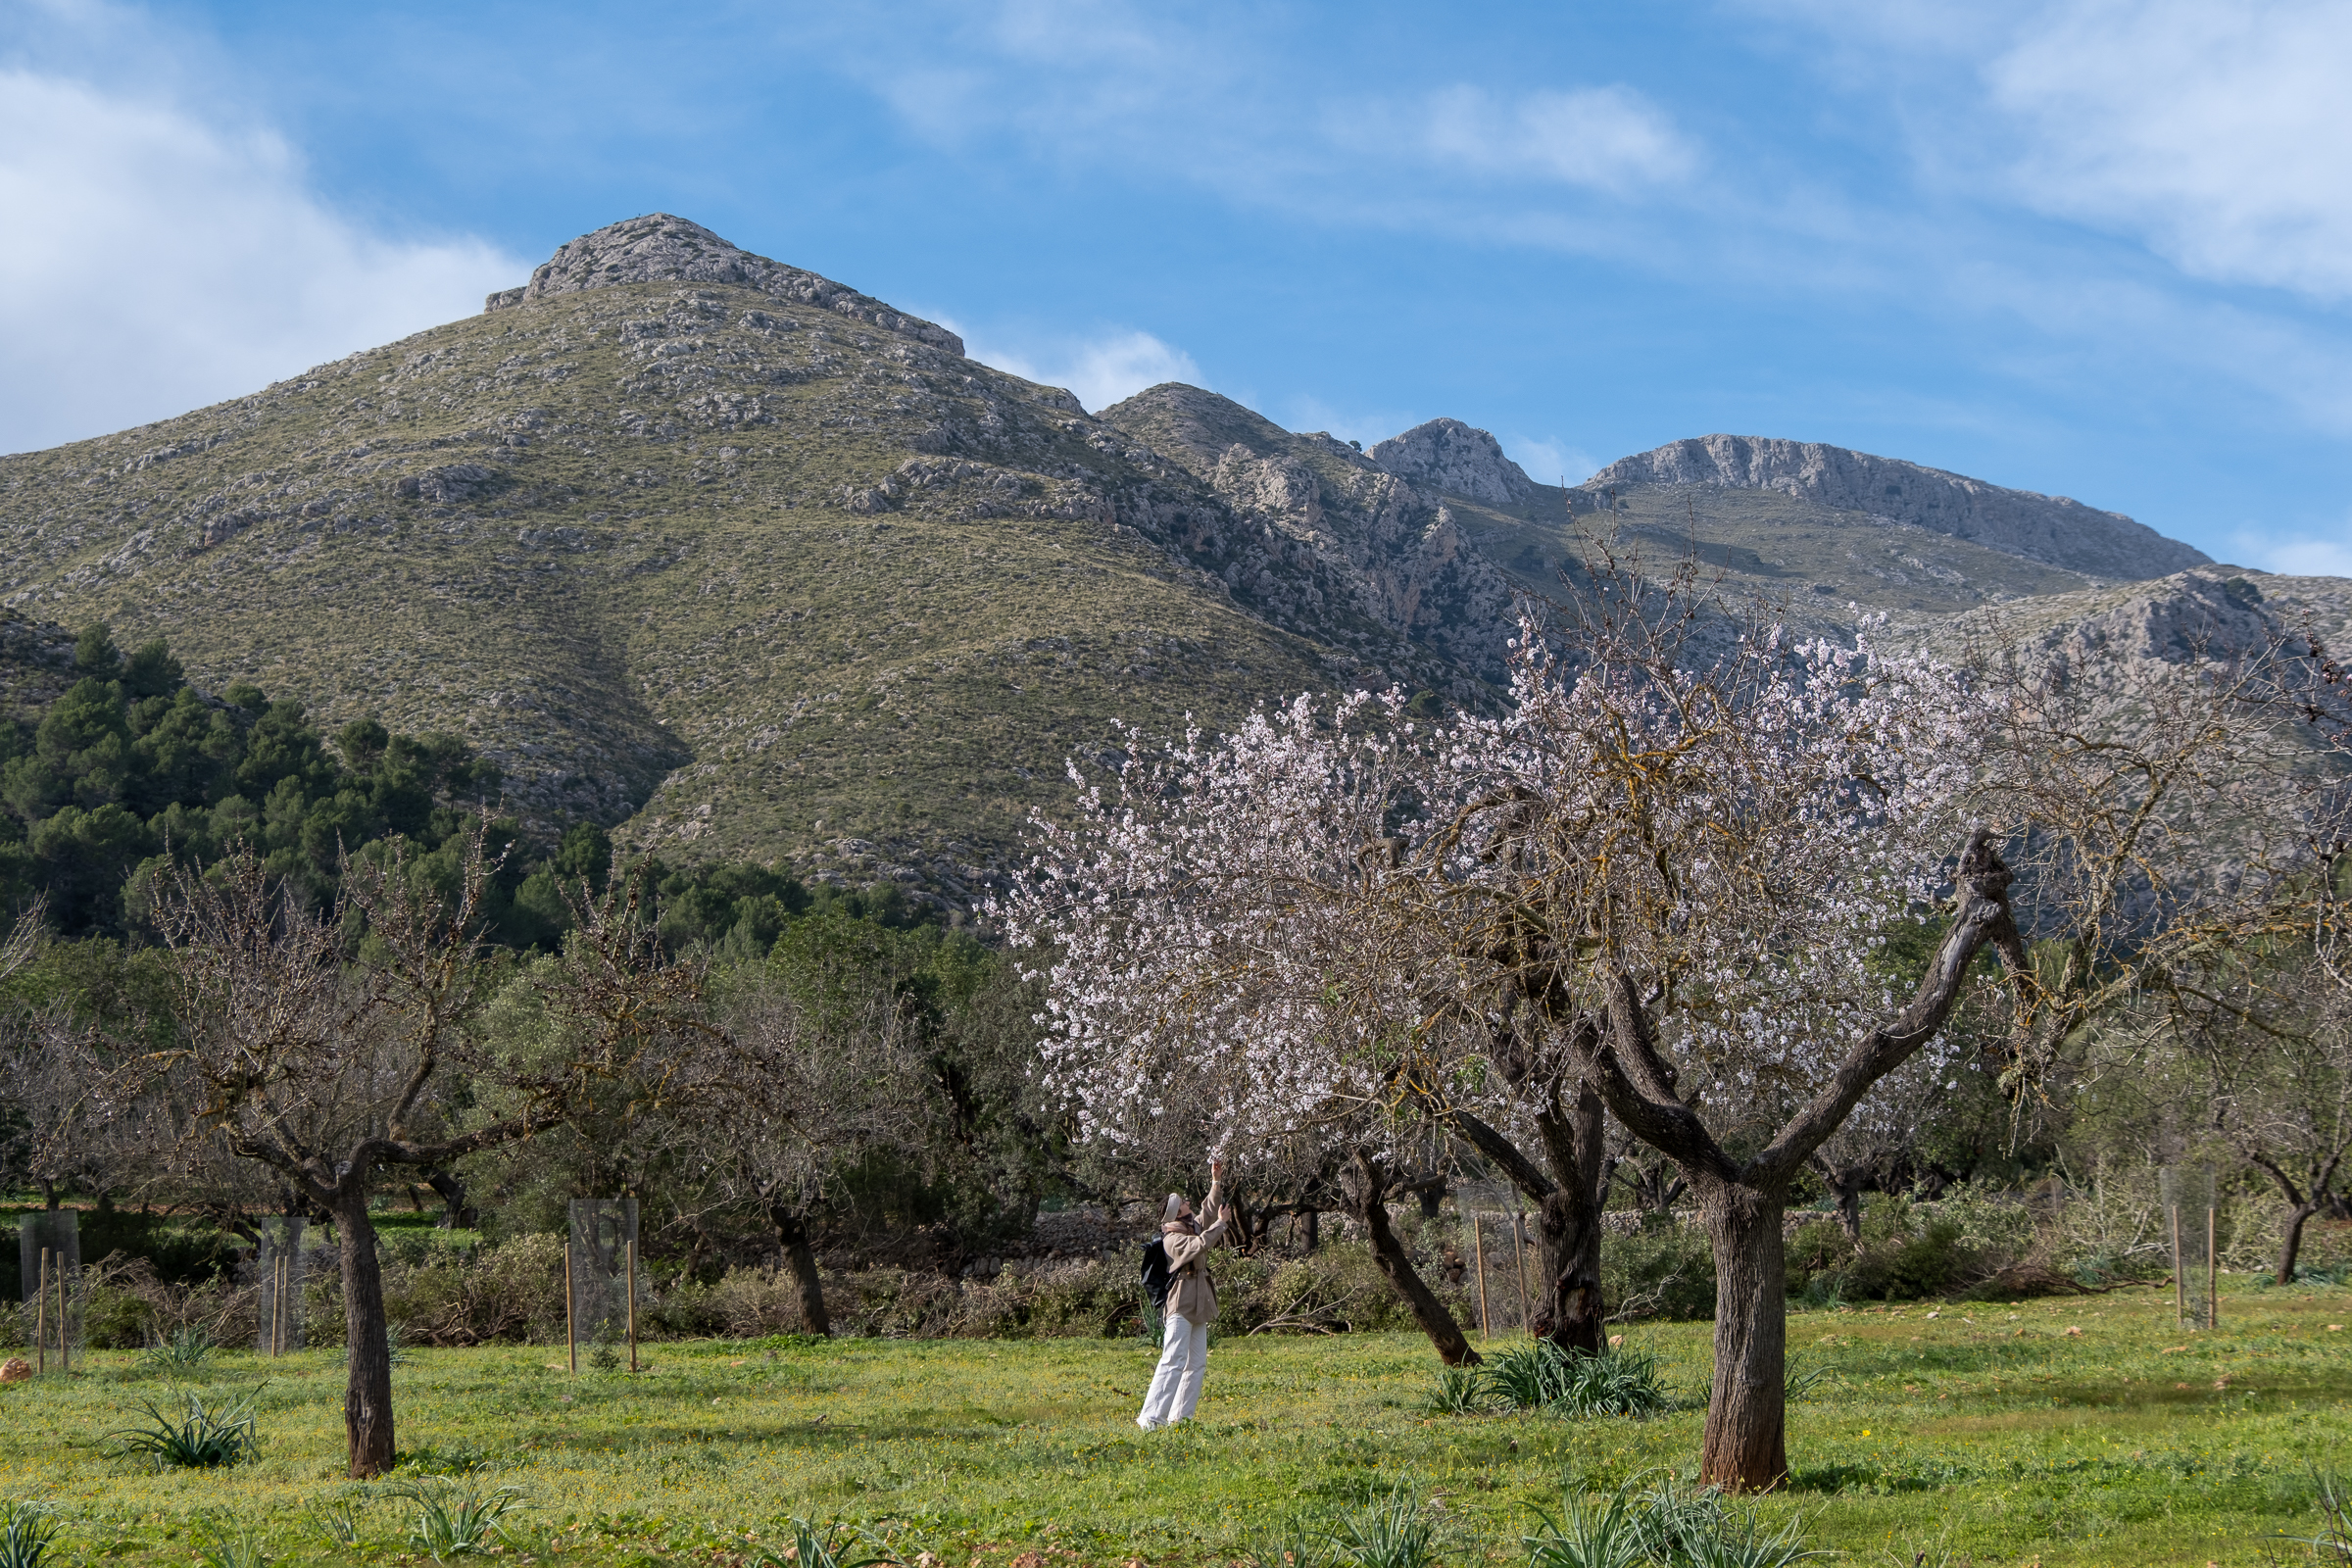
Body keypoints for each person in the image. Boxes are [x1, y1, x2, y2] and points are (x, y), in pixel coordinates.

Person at [1136, 1156, 1232, 1431]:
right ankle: (1150, 1418)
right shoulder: (1172, 1239)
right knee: (1173, 1360)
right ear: (1178, 1213)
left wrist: (1216, 1181)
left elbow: (1209, 1211)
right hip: (1179, 1306)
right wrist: (1221, 1225)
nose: (1189, 1202)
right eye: (1185, 1203)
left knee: (1197, 1364)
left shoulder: (1190, 1225)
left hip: (1199, 1305)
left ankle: (1182, 1418)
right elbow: (1201, 1244)